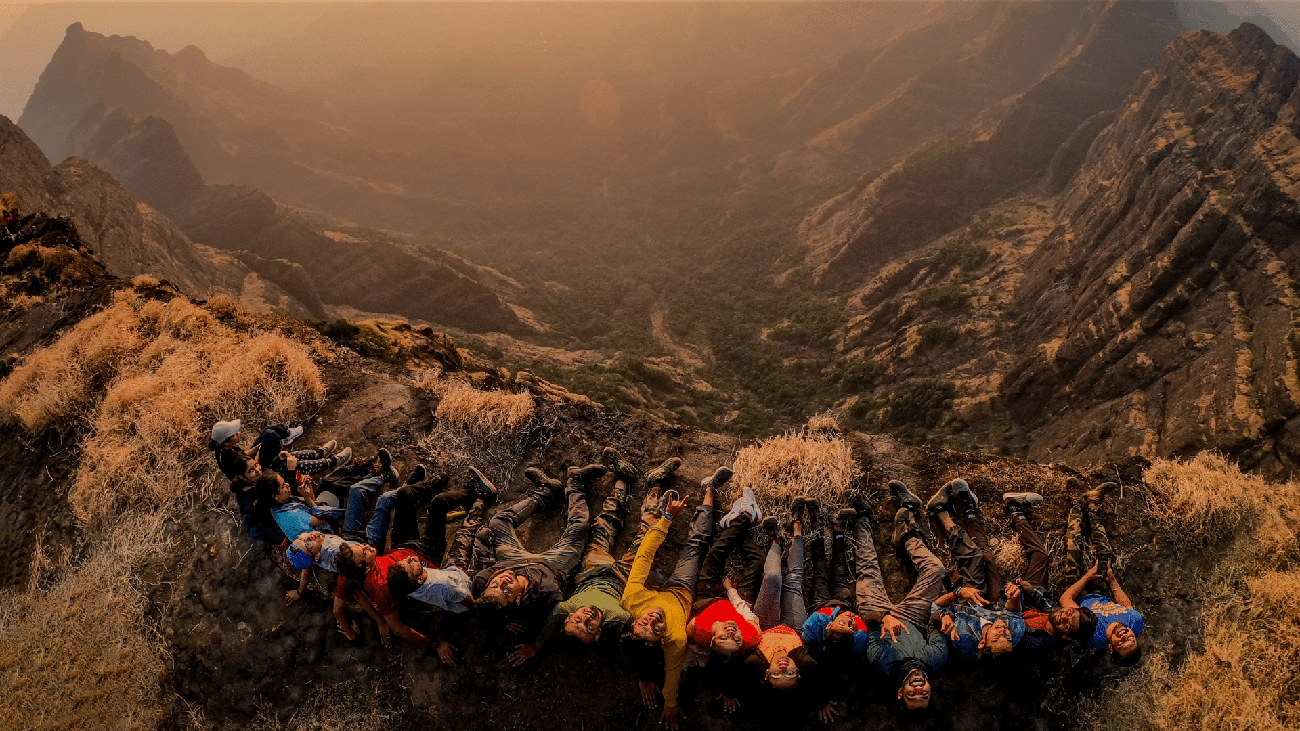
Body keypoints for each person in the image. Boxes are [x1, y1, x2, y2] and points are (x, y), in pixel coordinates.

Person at [512, 450, 682, 665]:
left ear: (569, 618)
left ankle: (623, 478)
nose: (587, 616)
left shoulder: (562, 610)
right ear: (598, 633)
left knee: (605, 523)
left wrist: (536, 646)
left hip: (592, 569)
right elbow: (625, 645)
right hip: (626, 577)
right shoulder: (620, 620)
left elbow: (550, 628)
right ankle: (655, 484)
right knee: (648, 533)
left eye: (578, 620)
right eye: (590, 627)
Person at [332, 467, 490, 654]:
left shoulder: (347, 571)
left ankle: (434, 484)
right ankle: (474, 493)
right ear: (365, 567)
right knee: (438, 505)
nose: (367, 546)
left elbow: (337, 608)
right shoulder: (381, 589)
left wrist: (365, 626)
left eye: (361, 546)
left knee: (405, 495)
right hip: (426, 556)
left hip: (402, 545)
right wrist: (434, 644)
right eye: (365, 552)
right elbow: (399, 629)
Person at [621, 466, 730, 731]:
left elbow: (645, 556)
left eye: (643, 624)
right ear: (662, 638)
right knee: (696, 544)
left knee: (644, 546)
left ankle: (659, 499)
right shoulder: (677, 640)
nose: (653, 621)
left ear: (633, 623)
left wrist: (668, 518)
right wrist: (670, 702)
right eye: (655, 630)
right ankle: (709, 489)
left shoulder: (631, 601)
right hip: (681, 590)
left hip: (653, 585)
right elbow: (672, 672)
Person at [469, 463, 606, 640]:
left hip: (512, 558)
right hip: (553, 565)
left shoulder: (480, 581)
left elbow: (480, 608)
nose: (502, 581)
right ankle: (576, 484)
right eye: (506, 591)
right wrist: (506, 622)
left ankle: (545, 491)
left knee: (498, 522)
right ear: (518, 600)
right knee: (580, 528)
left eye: (494, 585)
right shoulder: (546, 592)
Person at [855, 491, 948, 712]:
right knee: (937, 570)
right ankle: (907, 533)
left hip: (879, 617)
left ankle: (862, 518)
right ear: (930, 689)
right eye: (924, 695)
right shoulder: (936, 660)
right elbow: (934, 623)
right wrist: (944, 619)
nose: (918, 690)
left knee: (867, 573)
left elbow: (868, 626)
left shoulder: (881, 664)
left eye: (912, 696)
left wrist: (885, 618)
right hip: (914, 618)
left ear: (900, 692)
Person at [926, 480, 1027, 660]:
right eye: (1008, 637)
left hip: (969, 604)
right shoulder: (1016, 633)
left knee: (974, 558)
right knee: (987, 558)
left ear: (982, 643)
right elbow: (1014, 613)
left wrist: (958, 594)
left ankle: (941, 513)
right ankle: (969, 509)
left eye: (997, 637)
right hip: (994, 607)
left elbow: (936, 606)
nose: (1003, 630)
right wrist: (1015, 596)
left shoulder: (963, 637)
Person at [1000, 491, 1097, 652]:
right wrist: (1030, 590)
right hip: (1026, 605)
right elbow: (1046, 605)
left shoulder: (1036, 643)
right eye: (1070, 612)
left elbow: (1004, 622)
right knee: (1041, 557)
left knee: (986, 559)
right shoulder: (1055, 617)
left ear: (1067, 636)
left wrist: (1015, 598)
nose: (1063, 616)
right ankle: (1016, 509)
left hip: (1004, 610)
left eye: (1067, 624)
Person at [1060, 479, 1143, 665]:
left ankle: (1075, 503)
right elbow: (1126, 605)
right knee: (1104, 556)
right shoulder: (1135, 622)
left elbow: (1065, 600)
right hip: (1101, 590)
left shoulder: (1091, 635)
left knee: (1073, 547)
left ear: (1111, 647)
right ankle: (1093, 502)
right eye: (1131, 639)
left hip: (1079, 591)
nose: (1125, 636)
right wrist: (1112, 581)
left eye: (1121, 644)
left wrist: (1087, 576)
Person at [800, 502, 868, 724]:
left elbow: (814, 677)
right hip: (843, 601)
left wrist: (820, 701)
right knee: (839, 568)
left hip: (820, 603)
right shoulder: (858, 639)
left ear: (828, 626)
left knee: (820, 567)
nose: (848, 621)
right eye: (851, 626)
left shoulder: (814, 625)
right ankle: (838, 530)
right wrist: (849, 614)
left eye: (842, 624)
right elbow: (858, 622)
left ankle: (815, 523)